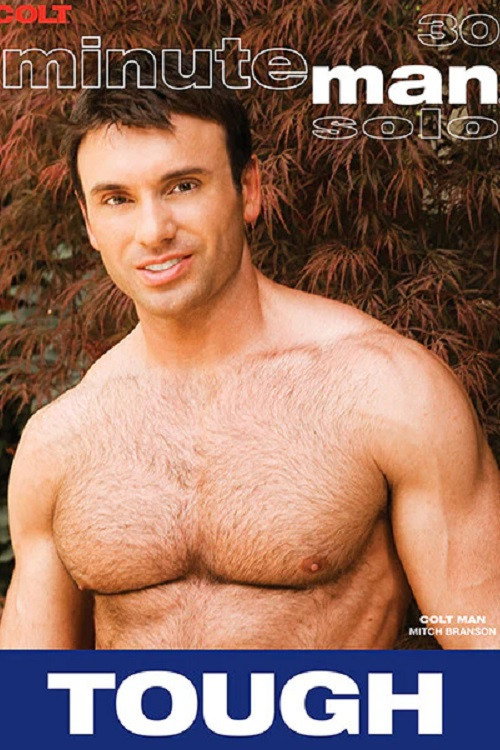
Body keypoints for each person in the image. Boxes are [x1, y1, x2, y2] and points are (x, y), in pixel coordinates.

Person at [0, 54, 498, 650]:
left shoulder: (389, 392)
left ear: (249, 189)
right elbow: (30, 691)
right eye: (117, 199)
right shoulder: (60, 442)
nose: (153, 230)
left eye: (183, 186)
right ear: (88, 222)